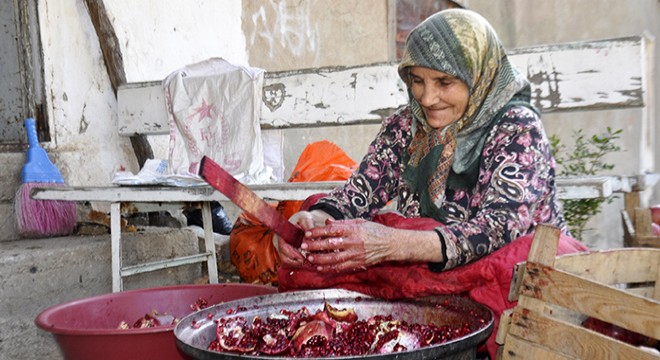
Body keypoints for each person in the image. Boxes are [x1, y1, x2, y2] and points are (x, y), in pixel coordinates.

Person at [274, 8, 588, 358]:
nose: (426, 98)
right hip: (433, 278)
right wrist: (317, 219)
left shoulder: (516, 128)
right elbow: (360, 191)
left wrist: (393, 245)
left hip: (504, 279)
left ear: (478, 75)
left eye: (444, 82)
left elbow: (499, 228)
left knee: (514, 269)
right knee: (318, 255)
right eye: (417, 81)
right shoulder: (406, 126)